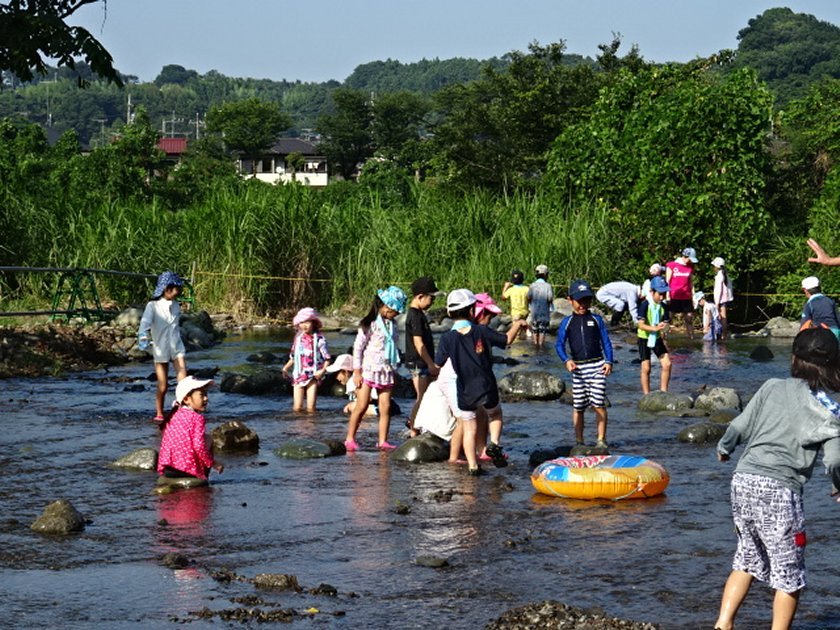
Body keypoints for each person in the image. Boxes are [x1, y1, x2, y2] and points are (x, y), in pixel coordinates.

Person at [714, 327, 840, 630]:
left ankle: (723, 624)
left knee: (746, 557)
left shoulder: (771, 386)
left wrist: (724, 447)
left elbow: (740, 425)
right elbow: (835, 459)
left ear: (794, 358)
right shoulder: (830, 409)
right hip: (780, 491)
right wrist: (838, 486)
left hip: (743, 480)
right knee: (789, 574)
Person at [435, 289, 525, 475]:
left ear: (450, 313)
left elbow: (439, 363)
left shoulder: (447, 338)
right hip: (486, 384)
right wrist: (517, 324)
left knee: (469, 428)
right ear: (471, 311)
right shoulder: (481, 331)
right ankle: (494, 444)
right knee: (495, 414)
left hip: (464, 388)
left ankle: (472, 466)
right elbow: (507, 339)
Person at [344, 286, 406, 451]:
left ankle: (382, 440)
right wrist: (357, 372)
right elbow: (358, 348)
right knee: (361, 405)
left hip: (386, 371)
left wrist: (395, 369)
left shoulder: (392, 325)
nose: (396, 314)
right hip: (369, 370)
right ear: (385, 307)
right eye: (394, 311)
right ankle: (350, 438)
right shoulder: (370, 325)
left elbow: (394, 347)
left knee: (385, 407)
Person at [555, 279, 614, 448]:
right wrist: (566, 360)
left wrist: (609, 361)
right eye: (579, 301)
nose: (583, 304)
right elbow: (559, 344)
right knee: (579, 406)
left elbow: (606, 341)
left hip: (597, 366)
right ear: (570, 300)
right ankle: (579, 441)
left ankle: (601, 440)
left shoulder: (596, 320)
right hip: (579, 369)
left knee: (598, 403)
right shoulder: (567, 322)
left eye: (586, 300)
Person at [138, 271, 188, 424]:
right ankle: (160, 412)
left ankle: (182, 406)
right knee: (163, 385)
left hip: (176, 345)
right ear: (166, 288)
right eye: (176, 289)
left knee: (183, 377)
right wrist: (143, 337)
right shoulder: (152, 306)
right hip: (160, 348)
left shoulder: (176, 305)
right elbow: (144, 324)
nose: (178, 292)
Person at [157, 376, 224, 481]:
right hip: (186, 469)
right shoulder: (197, 418)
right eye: (202, 395)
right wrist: (213, 463)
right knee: (208, 439)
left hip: (168, 468)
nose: (206, 398)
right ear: (187, 399)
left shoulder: (173, 415)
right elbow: (198, 446)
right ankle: (203, 476)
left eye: (206, 395)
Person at [404, 277, 443, 437]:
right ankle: (413, 427)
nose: (432, 302)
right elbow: (418, 343)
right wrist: (431, 364)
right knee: (422, 397)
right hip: (418, 363)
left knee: (427, 396)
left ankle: (419, 425)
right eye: (431, 298)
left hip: (421, 362)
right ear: (420, 297)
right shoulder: (415, 316)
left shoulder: (419, 314)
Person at [282, 307, 331, 412]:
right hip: (298, 375)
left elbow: (327, 358)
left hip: (313, 376)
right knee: (297, 407)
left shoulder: (320, 339)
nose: (304, 325)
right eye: (301, 322)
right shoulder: (298, 339)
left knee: (311, 408)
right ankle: (298, 427)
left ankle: (311, 426)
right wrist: (285, 368)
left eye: (307, 322)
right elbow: (294, 357)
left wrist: (322, 371)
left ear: (313, 323)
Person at [637, 275, 672, 394]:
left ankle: (664, 392)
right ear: (652, 292)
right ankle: (646, 395)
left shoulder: (664, 307)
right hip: (644, 338)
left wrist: (665, 328)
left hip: (656, 338)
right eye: (660, 294)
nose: (662, 297)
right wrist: (655, 328)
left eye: (664, 294)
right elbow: (640, 325)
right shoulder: (645, 305)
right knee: (646, 368)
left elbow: (666, 325)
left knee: (667, 364)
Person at [666, 247, 697, 338]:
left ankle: (691, 338)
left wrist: (694, 297)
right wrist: (668, 295)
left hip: (686, 297)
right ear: (686, 256)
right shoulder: (672, 265)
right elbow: (667, 281)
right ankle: (663, 337)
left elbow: (691, 282)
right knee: (668, 318)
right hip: (674, 296)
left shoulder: (690, 267)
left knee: (689, 318)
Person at [800, 276, 840, 340]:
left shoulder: (809, 304)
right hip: (835, 332)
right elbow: (838, 319)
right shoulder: (831, 301)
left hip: (821, 333)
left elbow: (804, 325)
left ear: (805, 290)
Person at [527, 264, 554, 349]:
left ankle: (535, 345)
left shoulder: (532, 285)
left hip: (534, 312)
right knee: (542, 331)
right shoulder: (548, 286)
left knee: (535, 330)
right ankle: (541, 346)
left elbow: (528, 297)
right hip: (544, 313)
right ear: (546, 275)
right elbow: (550, 298)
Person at [502, 269, 530, 339]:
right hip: (525, 313)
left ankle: (516, 348)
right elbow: (530, 299)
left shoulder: (511, 289)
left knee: (516, 332)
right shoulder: (527, 289)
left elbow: (503, 297)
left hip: (515, 314)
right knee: (523, 329)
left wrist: (505, 286)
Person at [712, 257, 734, 340]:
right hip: (726, 299)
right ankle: (723, 334)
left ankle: (723, 335)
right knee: (723, 317)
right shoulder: (725, 274)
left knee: (723, 317)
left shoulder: (719, 276)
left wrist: (716, 303)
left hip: (721, 300)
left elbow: (718, 290)